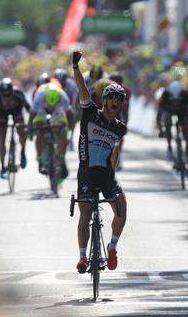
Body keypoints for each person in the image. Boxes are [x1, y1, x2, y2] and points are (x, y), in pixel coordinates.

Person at [72, 51, 127, 273]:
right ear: (104, 100)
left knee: (122, 208)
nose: (115, 101)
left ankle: (112, 247)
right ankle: (83, 257)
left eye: (119, 99)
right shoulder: (90, 113)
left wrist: (112, 179)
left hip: (105, 174)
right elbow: (82, 89)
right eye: (112, 98)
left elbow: (115, 154)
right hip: (86, 171)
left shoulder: (120, 128)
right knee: (85, 212)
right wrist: (75, 66)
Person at [27, 82, 73, 179]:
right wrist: (30, 126)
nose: (50, 111)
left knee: (62, 131)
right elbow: (32, 114)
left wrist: (68, 127)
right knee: (40, 130)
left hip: (58, 110)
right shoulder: (39, 97)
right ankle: (39, 158)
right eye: (49, 109)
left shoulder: (62, 97)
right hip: (41, 109)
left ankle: (60, 158)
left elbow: (69, 114)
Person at [156, 80, 188, 179]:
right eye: (173, 100)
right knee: (166, 119)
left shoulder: (187, 95)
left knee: (187, 137)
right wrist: (161, 129)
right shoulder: (165, 95)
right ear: (170, 96)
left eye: (177, 100)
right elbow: (159, 116)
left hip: (182, 113)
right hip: (168, 112)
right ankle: (169, 147)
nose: (175, 103)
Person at [0, 78, 30, 177]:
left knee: (21, 130)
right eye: (4, 95)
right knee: (1, 138)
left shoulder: (18, 94)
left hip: (16, 112)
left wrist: (29, 125)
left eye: (9, 94)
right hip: (1, 114)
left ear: (12, 91)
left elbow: (28, 108)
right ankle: (3, 166)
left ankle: (23, 152)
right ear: (0, 93)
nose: (7, 97)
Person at [109, 74, 131, 170]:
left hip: (120, 112)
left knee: (120, 134)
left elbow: (126, 106)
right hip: (108, 112)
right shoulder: (106, 88)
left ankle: (118, 155)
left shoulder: (127, 90)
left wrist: (125, 122)